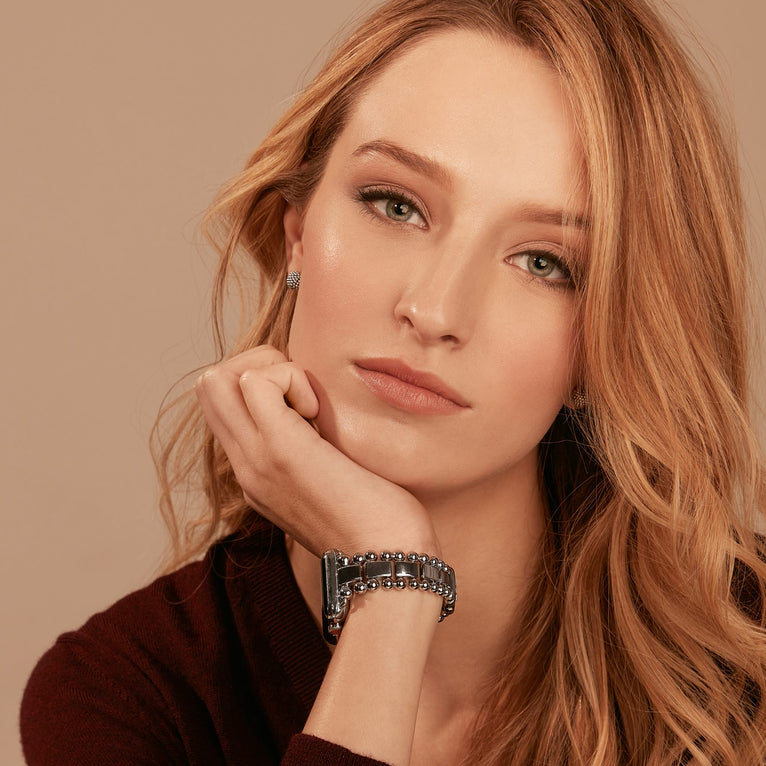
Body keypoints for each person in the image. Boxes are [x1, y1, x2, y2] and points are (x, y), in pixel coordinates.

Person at [20, 0, 766, 763]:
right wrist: (390, 588)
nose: (435, 310)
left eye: (545, 263)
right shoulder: (127, 699)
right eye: (396, 205)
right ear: (296, 233)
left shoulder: (749, 658)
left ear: (610, 341)